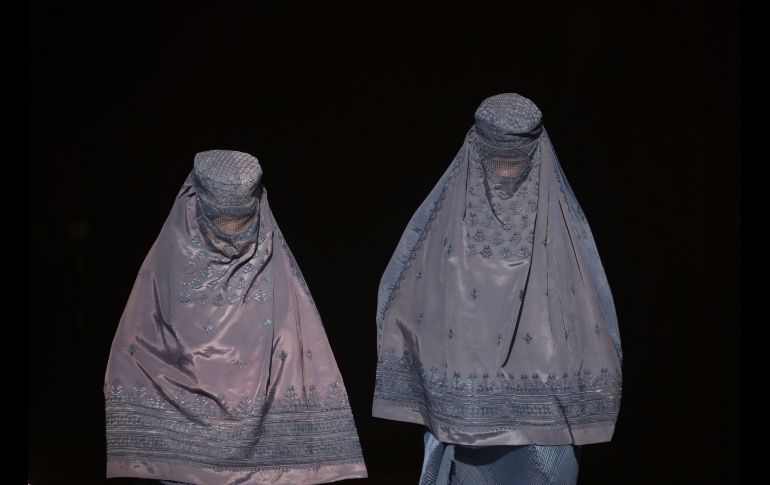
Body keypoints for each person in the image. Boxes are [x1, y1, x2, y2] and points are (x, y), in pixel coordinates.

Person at [372, 93, 622, 484]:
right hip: (463, 419)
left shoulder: (560, 235)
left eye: (517, 160)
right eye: (496, 160)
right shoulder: (445, 232)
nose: (506, 173)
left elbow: (586, 319)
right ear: (476, 148)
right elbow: (415, 310)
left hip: (544, 417)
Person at [104, 150, 367, 484]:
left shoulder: (282, 287)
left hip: (264, 467)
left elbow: (300, 364)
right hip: (183, 464)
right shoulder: (161, 281)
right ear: (195, 205)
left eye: (242, 222)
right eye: (221, 221)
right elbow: (134, 359)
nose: (231, 234)